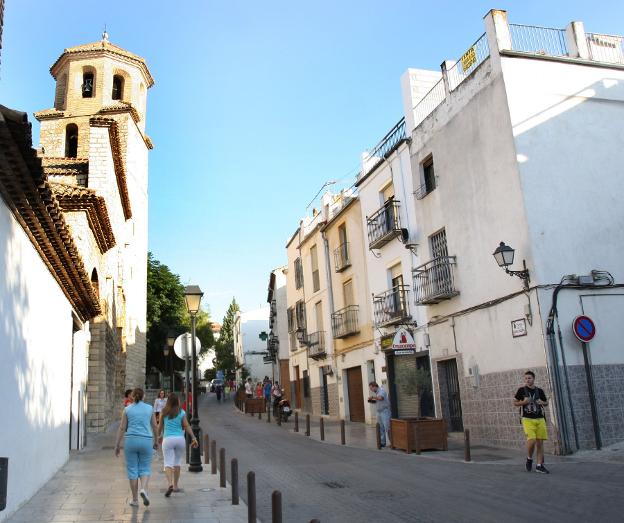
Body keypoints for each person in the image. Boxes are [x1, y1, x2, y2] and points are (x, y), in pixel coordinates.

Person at [115, 388, 158, 507]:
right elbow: (154, 425)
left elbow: (122, 428)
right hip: (146, 440)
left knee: (132, 469)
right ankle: (143, 489)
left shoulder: (127, 409)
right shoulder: (149, 408)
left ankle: (134, 499)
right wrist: (157, 440)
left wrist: (117, 445)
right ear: (143, 396)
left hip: (131, 441)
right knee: (145, 468)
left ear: (132, 397)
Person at [158, 393, 198, 497]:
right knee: (177, 462)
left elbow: (159, 426)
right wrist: (193, 437)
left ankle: (170, 484)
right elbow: (186, 425)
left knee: (167, 463)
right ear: (177, 401)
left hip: (168, 439)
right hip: (180, 439)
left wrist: (158, 436)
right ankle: (175, 486)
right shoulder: (181, 412)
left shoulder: (164, 412)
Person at [513, 370, 550, 473]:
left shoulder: (539, 391)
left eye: (529, 378)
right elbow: (515, 402)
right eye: (525, 378)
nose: (527, 380)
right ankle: (529, 458)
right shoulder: (521, 390)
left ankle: (539, 465)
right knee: (532, 440)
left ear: (533, 379)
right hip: (527, 419)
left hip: (540, 418)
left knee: (540, 443)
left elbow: (546, 402)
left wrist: (543, 402)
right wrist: (523, 402)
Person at [369, 381, 391, 448]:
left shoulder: (382, 391)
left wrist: (372, 397)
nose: (371, 390)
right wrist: (371, 400)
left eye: (371, 388)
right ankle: (382, 443)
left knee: (387, 427)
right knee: (381, 428)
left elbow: (381, 398)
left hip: (385, 412)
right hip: (379, 412)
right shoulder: (377, 393)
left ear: (375, 386)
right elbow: (377, 401)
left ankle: (393, 443)